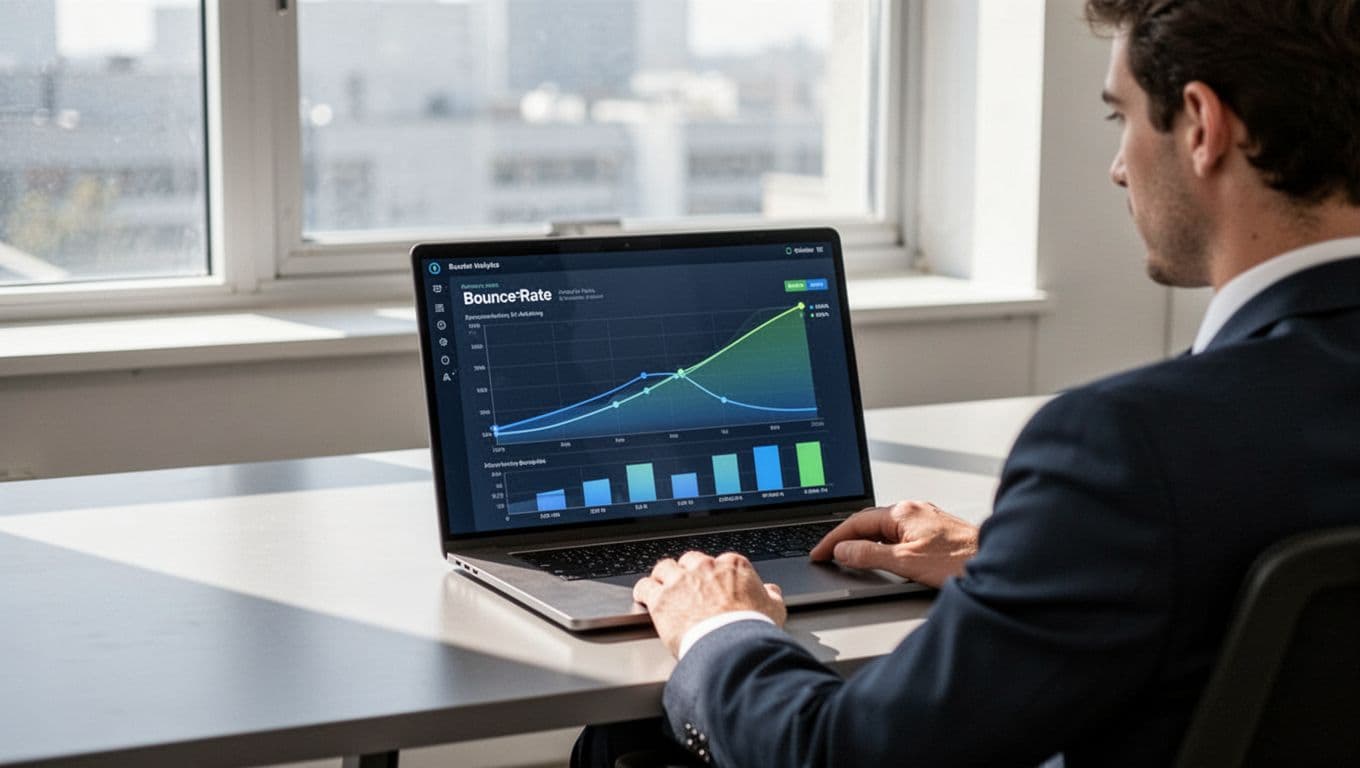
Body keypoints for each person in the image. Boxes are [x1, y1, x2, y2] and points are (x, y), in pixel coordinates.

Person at [574, 1, 1360, 765]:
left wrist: (718, 628)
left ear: (1201, 125)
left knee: (629, 740)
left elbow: (837, 752)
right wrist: (1028, 562)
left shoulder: (1127, 448)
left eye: (1120, 117)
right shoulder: (1169, 467)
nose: (1119, 168)